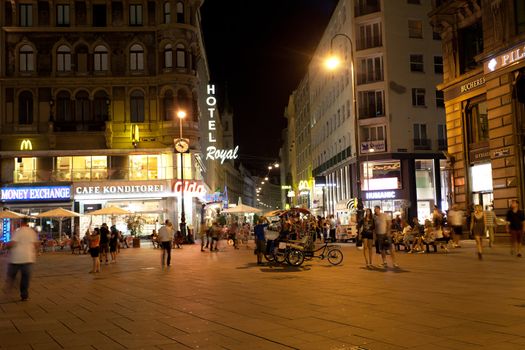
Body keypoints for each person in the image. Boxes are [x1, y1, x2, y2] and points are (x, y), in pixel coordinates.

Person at [4, 218, 39, 301]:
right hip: (28, 258)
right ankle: (24, 295)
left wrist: (7, 246)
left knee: (11, 274)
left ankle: (12, 284)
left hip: (16, 258)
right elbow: (36, 245)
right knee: (25, 278)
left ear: (21, 222)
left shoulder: (18, 231)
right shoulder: (32, 232)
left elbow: (12, 243)